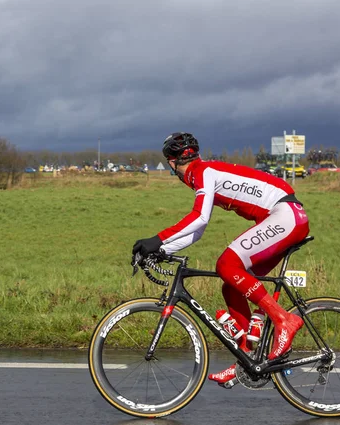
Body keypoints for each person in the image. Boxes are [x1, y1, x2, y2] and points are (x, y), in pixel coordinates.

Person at [132, 132, 309, 386]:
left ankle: (285, 320)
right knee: (232, 285)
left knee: (226, 265)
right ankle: (248, 358)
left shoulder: (200, 172)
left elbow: (199, 218)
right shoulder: (207, 171)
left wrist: (157, 240)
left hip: (285, 215)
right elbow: (199, 230)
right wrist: (164, 250)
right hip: (284, 215)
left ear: (172, 163)